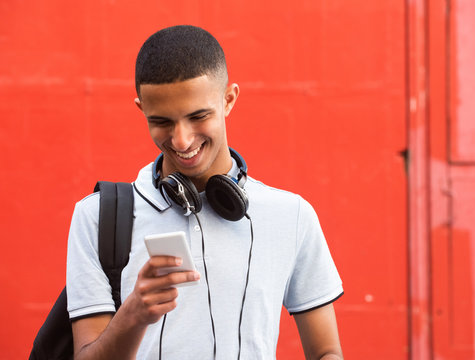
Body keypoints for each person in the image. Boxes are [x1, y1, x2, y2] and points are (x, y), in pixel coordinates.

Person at [66, 25, 343, 359]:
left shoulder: (292, 215)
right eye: (162, 121)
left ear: (229, 100)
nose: (181, 140)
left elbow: (326, 352)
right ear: (141, 110)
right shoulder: (95, 217)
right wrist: (135, 313)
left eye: (198, 116)